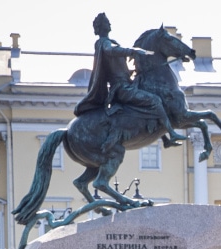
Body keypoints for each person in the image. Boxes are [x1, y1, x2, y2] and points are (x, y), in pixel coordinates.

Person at [75, 13, 187, 148]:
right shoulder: (103, 43)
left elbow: (118, 67)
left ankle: (165, 139)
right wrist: (133, 51)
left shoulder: (110, 42)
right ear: (102, 27)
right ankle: (171, 134)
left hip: (127, 84)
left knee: (150, 100)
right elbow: (111, 50)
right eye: (107, 22)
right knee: (155, 101)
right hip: (122, 88)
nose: (110, 24)